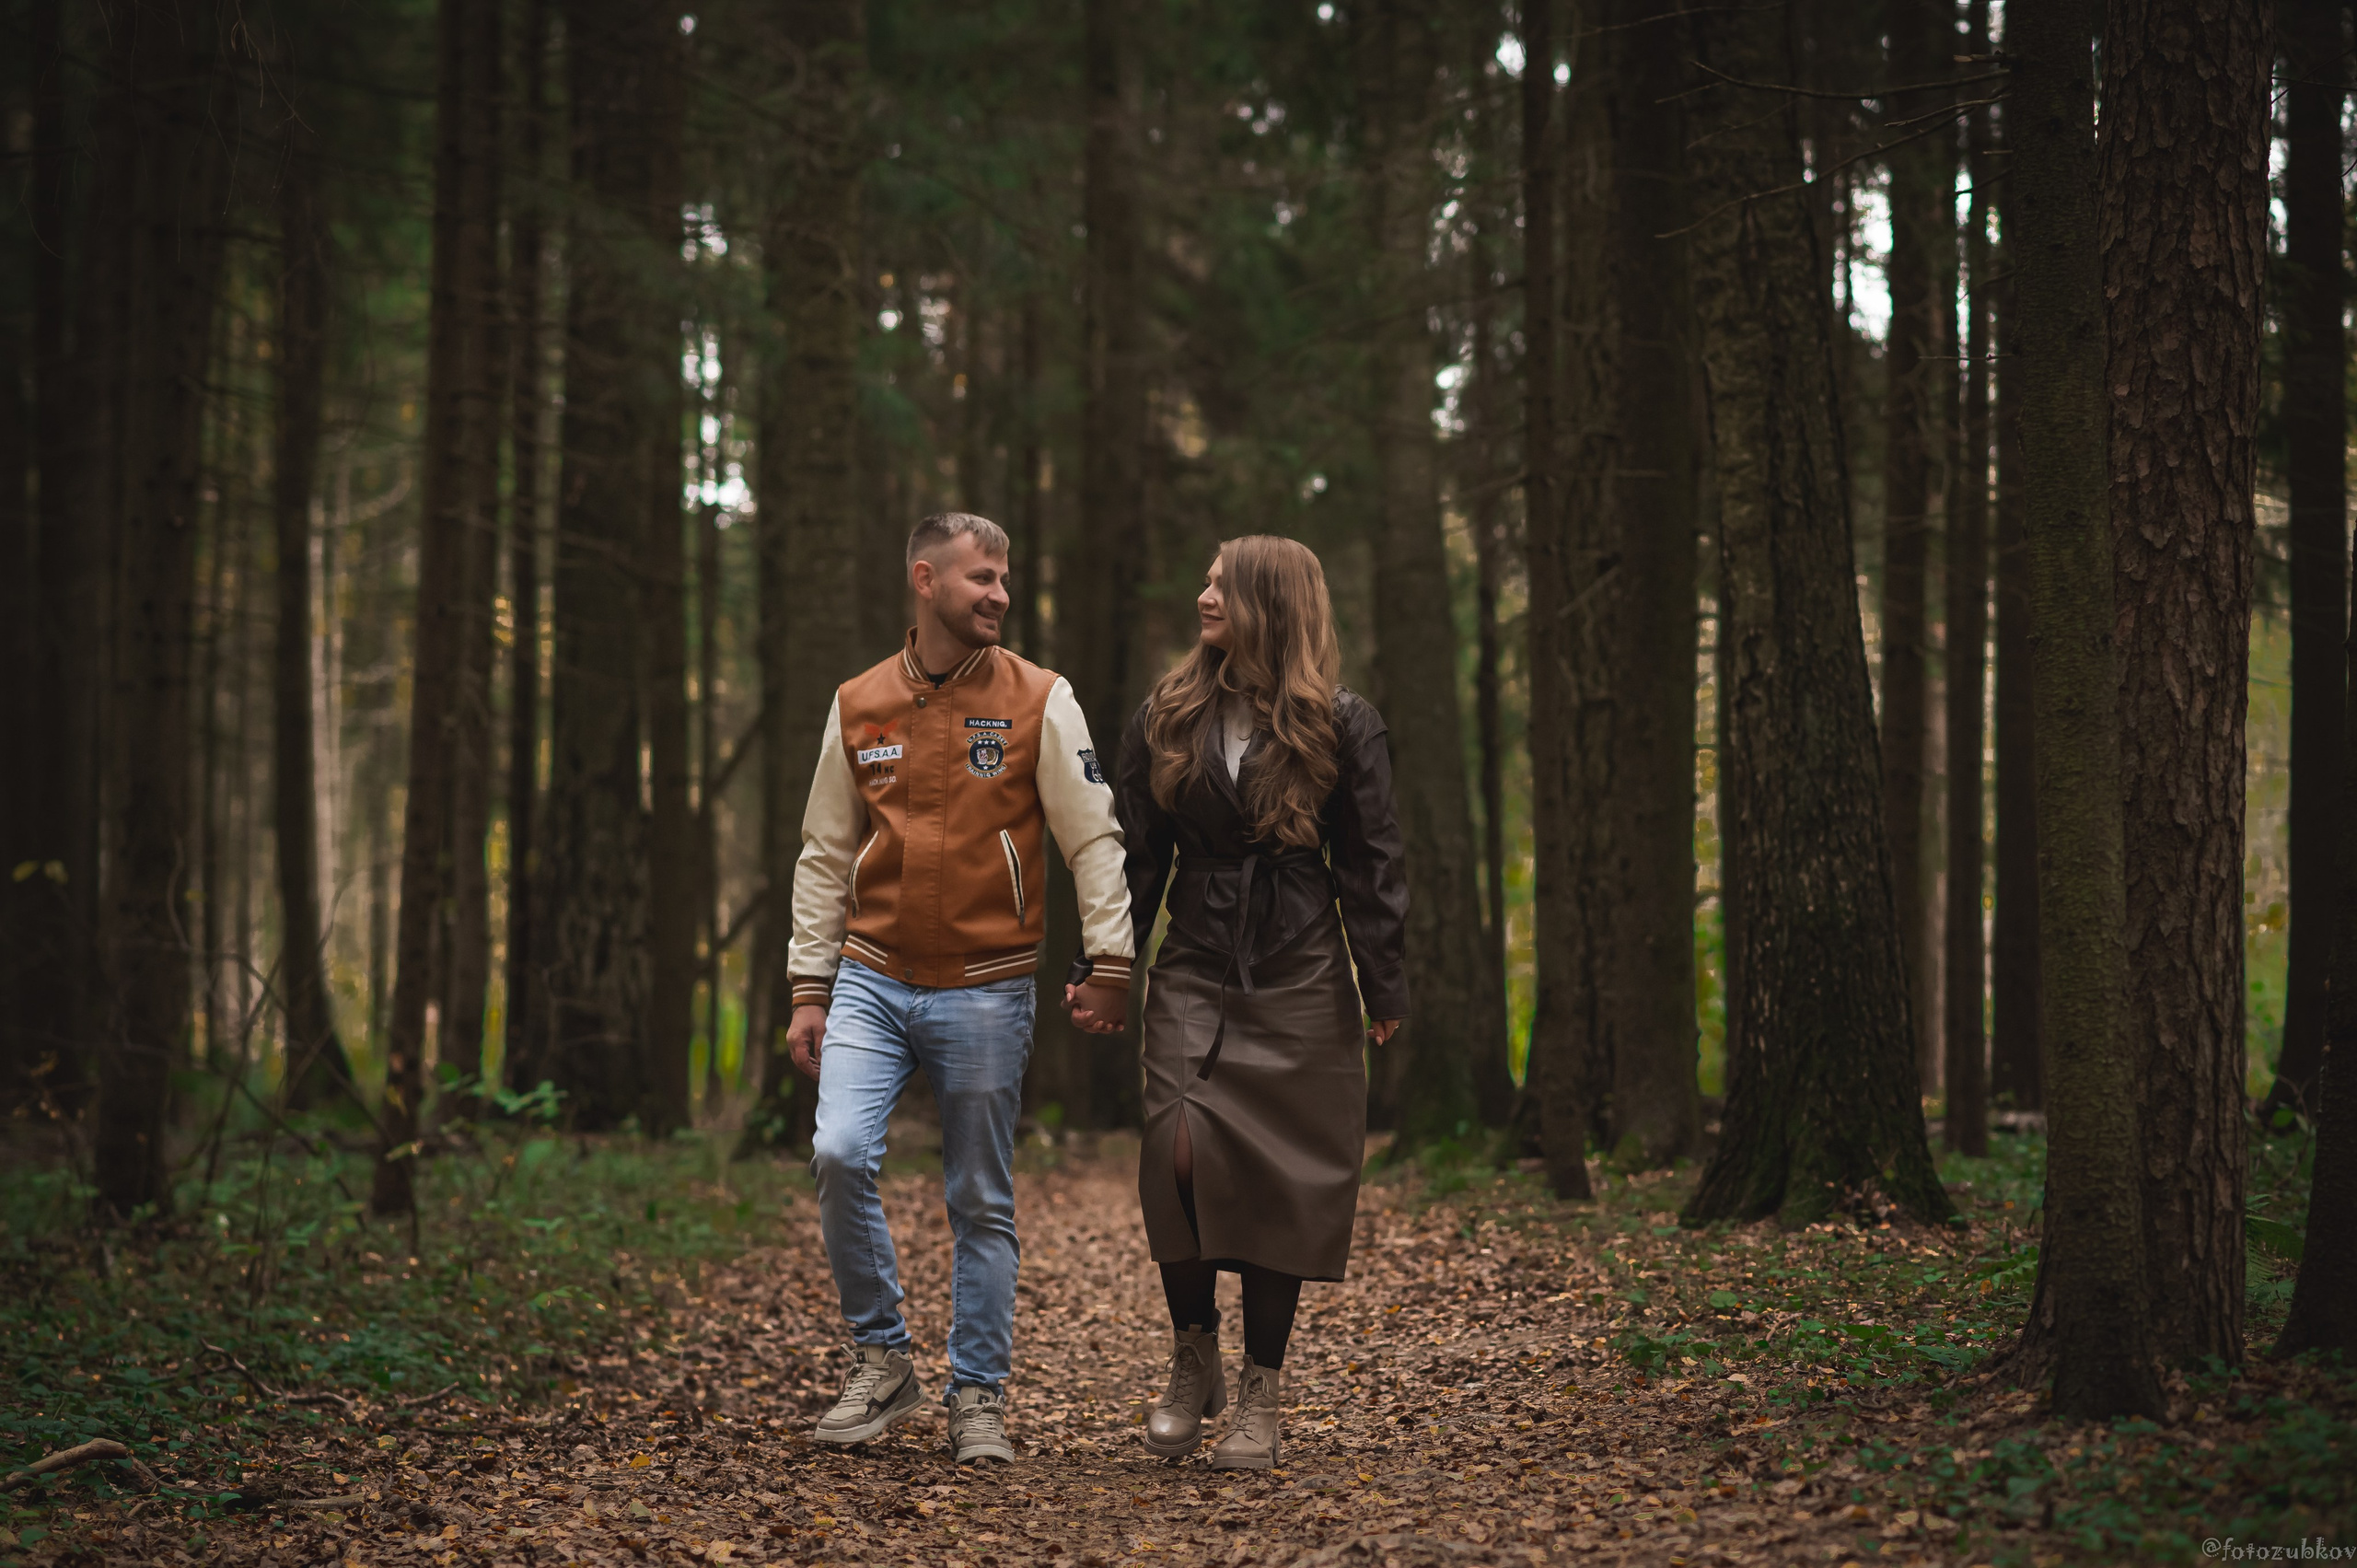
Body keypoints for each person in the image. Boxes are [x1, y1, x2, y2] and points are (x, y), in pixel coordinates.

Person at [786, 512, 1135, 1464]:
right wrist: (808, 985)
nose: (999, 594)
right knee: (839, 1148)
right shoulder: (858, 702)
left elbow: (1091, 835)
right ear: (925, 578)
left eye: (1005, 579)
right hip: (870, 975)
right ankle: (882, 1358)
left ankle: (977, 1394)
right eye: (981, 577)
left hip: (987, 986)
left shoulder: (1040, 698)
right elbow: (825, 851)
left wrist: (1110, 957)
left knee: (979, 1195)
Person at [1069, 535, 1408, 1470]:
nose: (1203, 592)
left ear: (1269, 599)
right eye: (1206, 577)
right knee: (1175, 1152)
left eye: (1222, 581)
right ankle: (1192, 1353)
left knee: (1278, 1179)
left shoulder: (1343, 721)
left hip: (1300, 964)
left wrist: (1383, 980)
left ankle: (1260, 1389)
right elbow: (1133, 855)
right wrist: (1106, 964)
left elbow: (1372, 861)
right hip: (1194, 960)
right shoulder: (1166, 713)